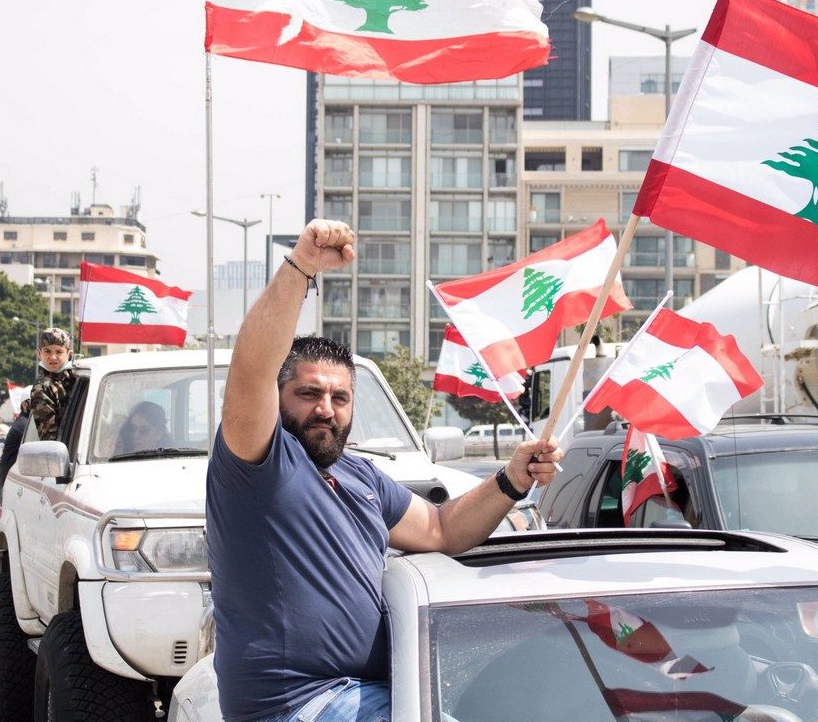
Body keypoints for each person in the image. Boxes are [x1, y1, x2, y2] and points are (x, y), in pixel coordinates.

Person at [206, 219, 563, 722]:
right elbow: (251, 368)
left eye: (339, 397)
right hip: (299, 705)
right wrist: (302, 267)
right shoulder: (257, 465)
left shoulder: (362, 477)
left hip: (378, 692)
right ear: (279, 398)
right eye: (308, 393)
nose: (325, 409)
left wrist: (512, 479)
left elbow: (441, 528)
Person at [22, 327, 77, 441]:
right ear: (39, 353)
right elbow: (50, 441)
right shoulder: (42, 389)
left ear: (69, 354)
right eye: (47, 351)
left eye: (59, 352)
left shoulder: (77, 376)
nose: (53, 357)